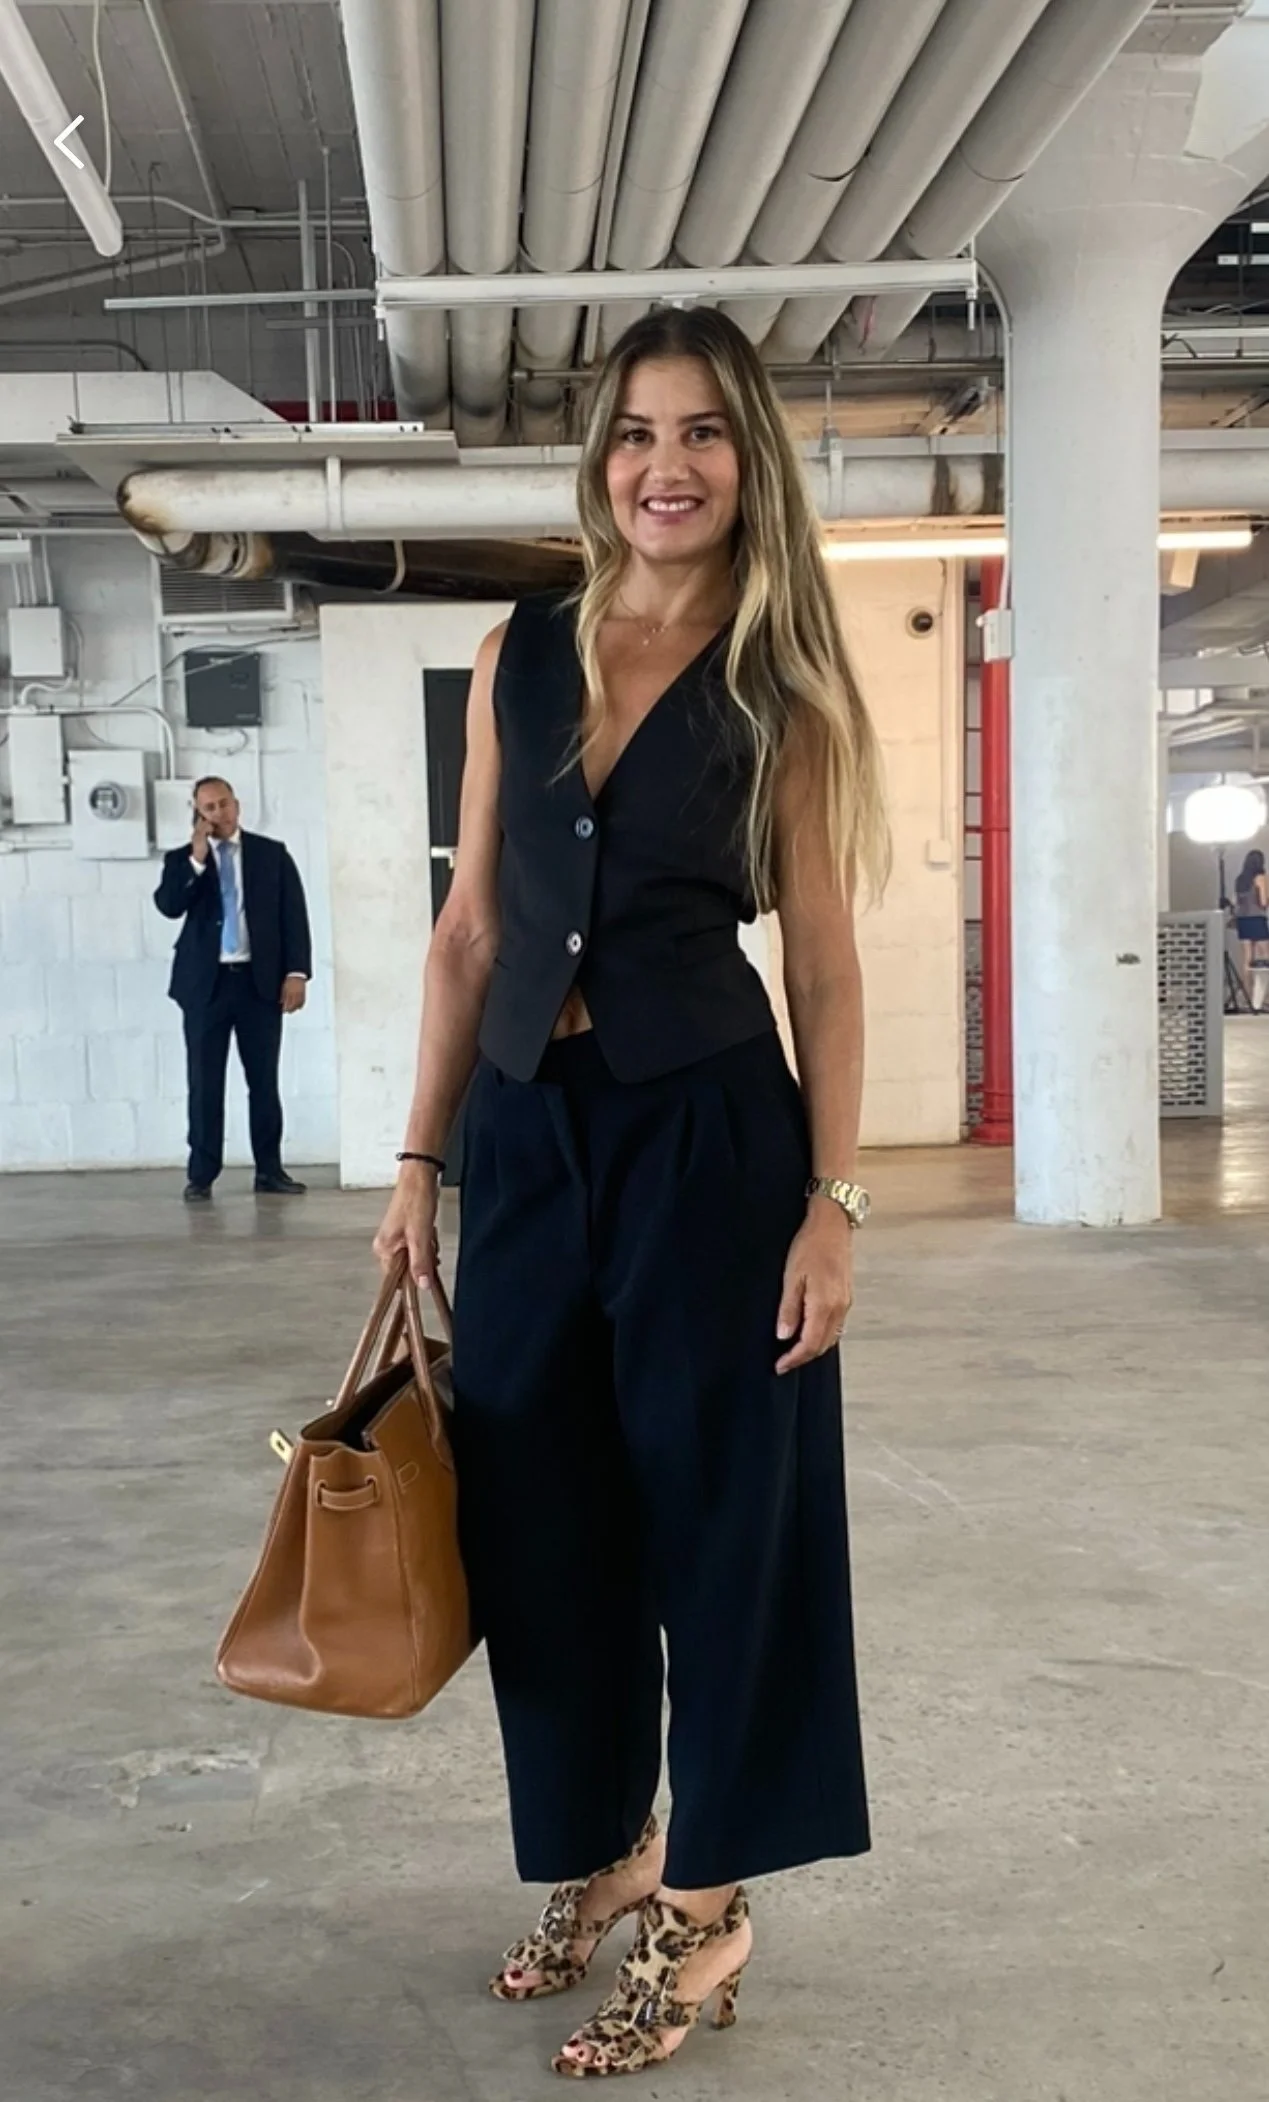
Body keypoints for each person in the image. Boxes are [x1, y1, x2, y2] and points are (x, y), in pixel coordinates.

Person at [374, 306, 888, 2080]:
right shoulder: (523, 647)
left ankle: (710, 1894)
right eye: (631, 435)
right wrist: (419, 1154)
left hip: (706, 1137)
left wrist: (832, 1197)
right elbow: (471, 927)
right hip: (526, 1133)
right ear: (598, 465)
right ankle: (597, 1849)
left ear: (747, 459)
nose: (661, 464)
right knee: (538, 1517)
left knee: (721, 1520)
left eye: (698, 433)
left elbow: (818, 956)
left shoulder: (782, 675)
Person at [154, 775, 311, 1202]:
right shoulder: (183, 860)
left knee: (263, 1081)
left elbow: (293, 916)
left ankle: (269, 1169)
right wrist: (198, 859)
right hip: (206, 987)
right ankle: (201, 1174)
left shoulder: (271, 855)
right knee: (204, 1082)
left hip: (258, 985)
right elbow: (169, 906)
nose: (219, 813)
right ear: (197, 814)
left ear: (237, 805)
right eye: (209, 808)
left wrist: (297, 973)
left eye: (224, 804)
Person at [1233, 847, 1269, 1005]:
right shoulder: (1260, 877)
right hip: (1257, 918)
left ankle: (1247, 995)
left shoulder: (1240, 879)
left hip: (1243, 920)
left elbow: (1235, 902)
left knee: (1247, 959)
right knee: (1265, 957)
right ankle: (1262, 997)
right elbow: (1263, 901)